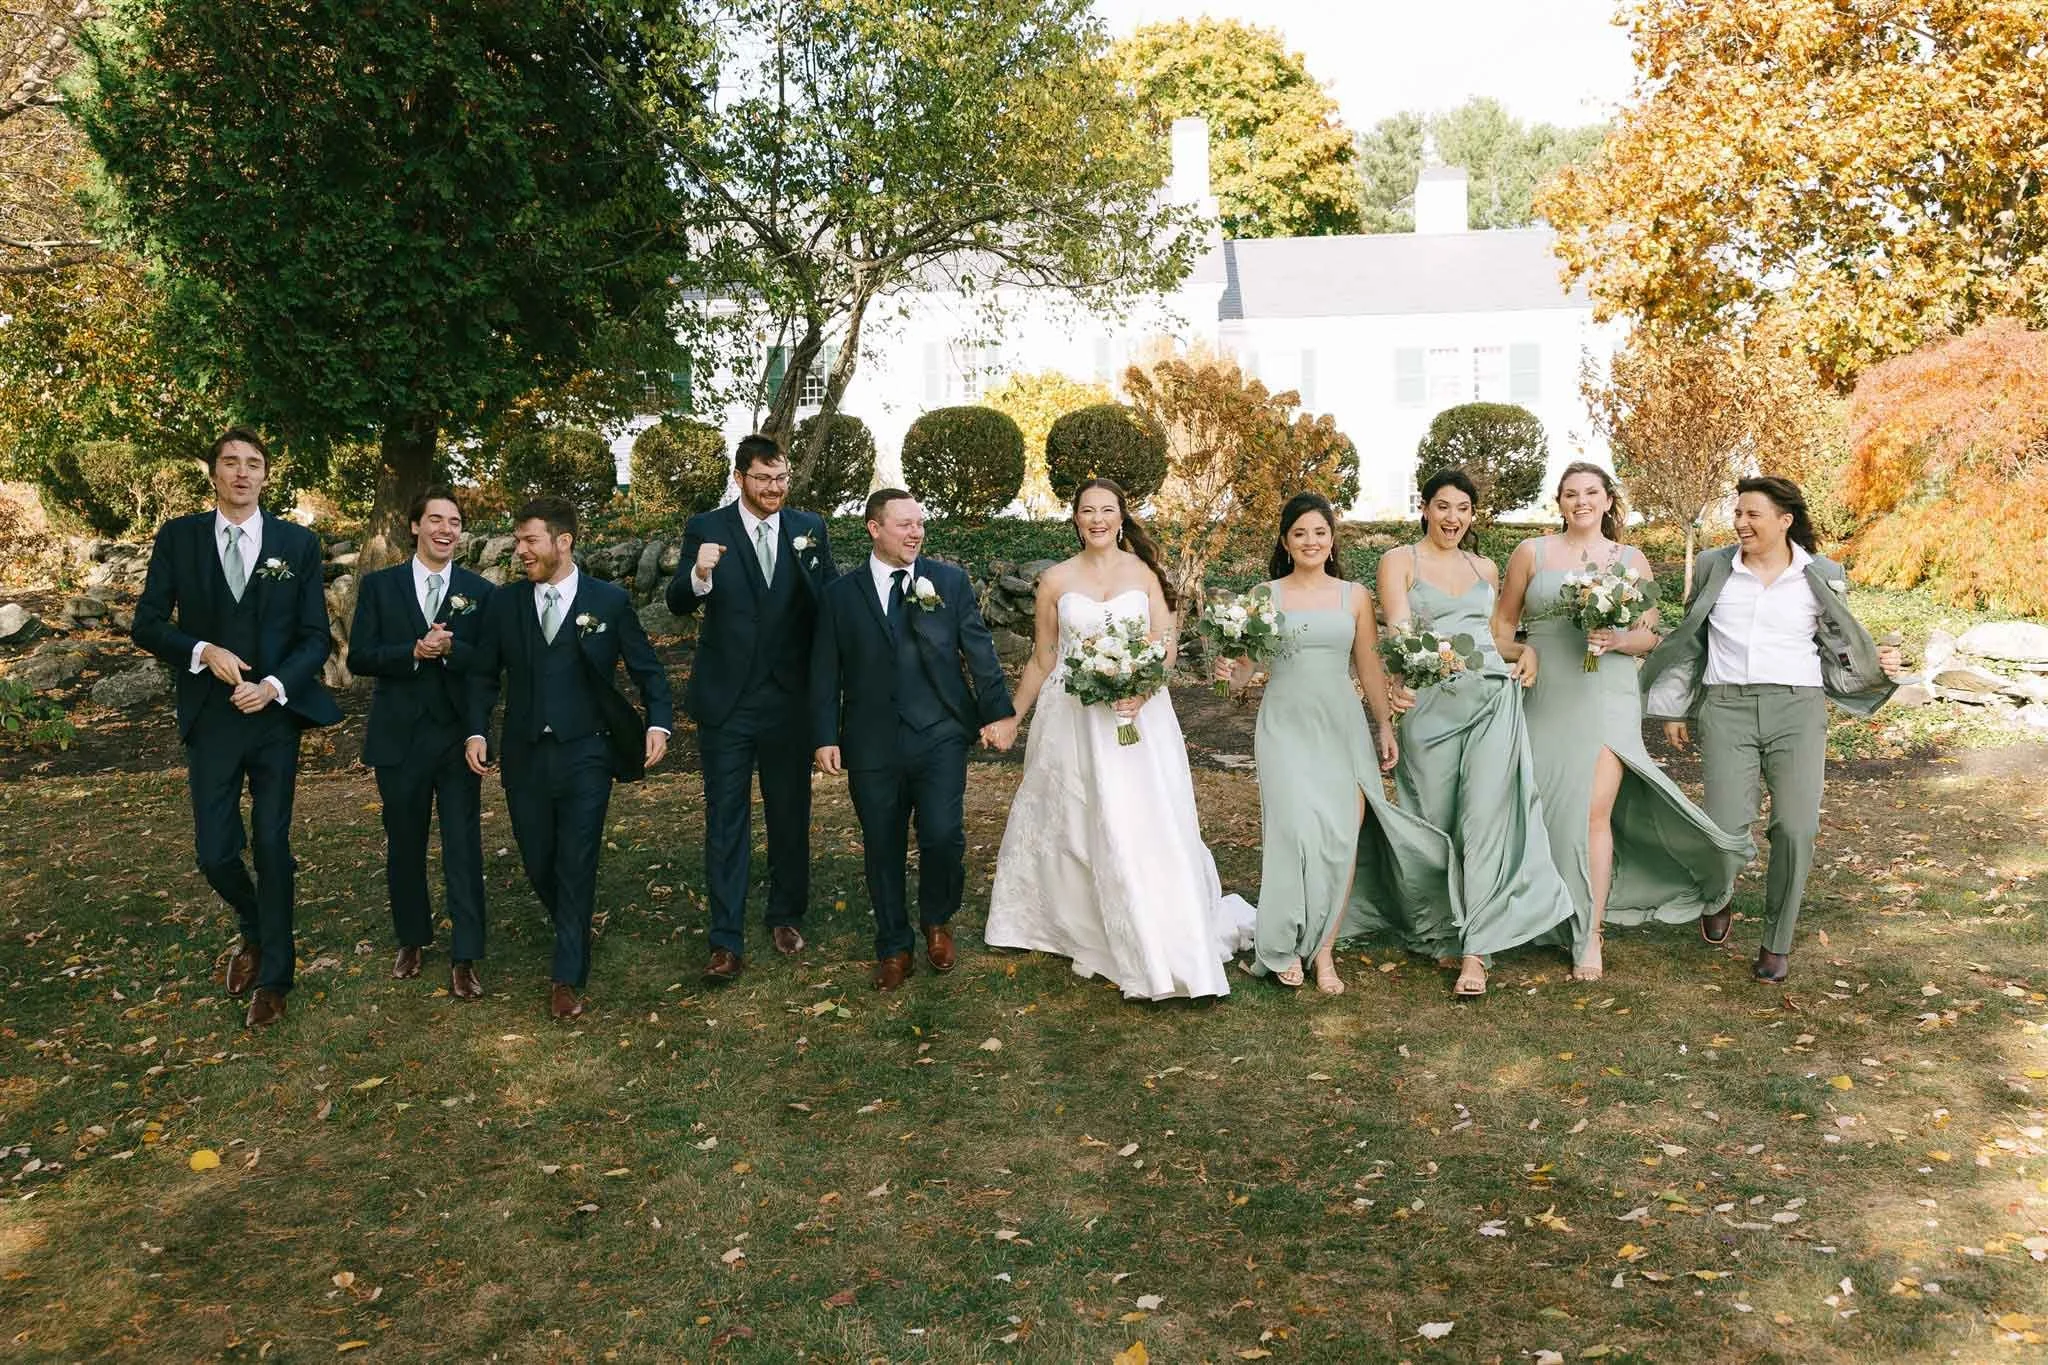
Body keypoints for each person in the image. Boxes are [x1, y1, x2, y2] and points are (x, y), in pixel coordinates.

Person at [984, 477, 1253, 1001]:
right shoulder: (1055, 580)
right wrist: (1012, 717)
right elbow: (1044, 657)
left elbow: (1164, 648)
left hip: (1139, 716)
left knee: (1142, 813)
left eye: (1107, 510)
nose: (1098, 519)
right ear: (1076, 518)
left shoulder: (1145, 573)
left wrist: (1144, 689)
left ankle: (1156, 918)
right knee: (1074, 814)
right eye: (1088, 511)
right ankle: (1078, 922)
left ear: (1122, 516)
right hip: (1072, 718)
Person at [1494, 462, 1752, 982]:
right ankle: (1541, 913)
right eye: (1571, 494)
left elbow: (1649, 636)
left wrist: (1615, 639)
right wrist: (1522, 650)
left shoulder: (1630, 560)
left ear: (1608, 500)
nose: (1581, 502)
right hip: (1545, 690)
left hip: (1607, 693)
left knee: (1593, 812)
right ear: (1559, 502)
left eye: (1591, 492)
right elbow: (1500, 626)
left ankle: (1590, 931)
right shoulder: (1530, 553)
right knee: (1543, 805)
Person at [1642, 475, 1901, 982]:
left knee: (1796, 827)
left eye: (1752, 514)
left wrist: (1879, 666)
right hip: (1727, 707)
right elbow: (1692, 640)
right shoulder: (1715, 566)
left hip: (1797, 709)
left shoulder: (1821, 573)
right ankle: (1718, 894)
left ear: (1784, 520)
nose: (1741, 523)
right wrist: (1675, 707)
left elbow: (1840, 641)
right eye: (1737, 513)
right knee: (1724, 826)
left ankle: (1776, 941)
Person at [131, 427, 342, 1028]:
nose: (242, 472)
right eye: (231, 462)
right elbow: (147, 623)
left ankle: (276, 976)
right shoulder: (179, 537)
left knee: (272, 844)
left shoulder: (296, 543)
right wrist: (201, 650)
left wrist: (273, 686)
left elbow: (315, 638)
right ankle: (256, 924)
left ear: (266, 476)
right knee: (215, 852)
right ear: (214, 474)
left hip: (273, 717)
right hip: (212, 717)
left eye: (253, 463)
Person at [1218, 492, 1455, 995]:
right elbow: (1244, 672)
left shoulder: (1354, 596)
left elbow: (1368, 666)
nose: (1311, 541)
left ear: (1332, 540)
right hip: (1284, 726)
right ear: (1285, 542)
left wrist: (1384, 725)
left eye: (1320, 532)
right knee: (1293, 832)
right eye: (1300, 533)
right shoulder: (1264, 594)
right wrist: (1227, 673)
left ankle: (1324, 950)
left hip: (1341, 726)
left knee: (1341, 837)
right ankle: (1282, 945)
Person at [465, 496, 674, 1019]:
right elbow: (484, 676)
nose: (520, 550)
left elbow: (647, 668)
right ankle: (575, 926)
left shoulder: (608, 601)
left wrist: (658, 721)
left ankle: (566, 976)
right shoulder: (504, 604)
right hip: (524, 754)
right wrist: (475, 731)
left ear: (563, 542)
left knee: (577, 859)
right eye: (518, 541)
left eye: (529, 540)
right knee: (539, 858)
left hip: (588, 752)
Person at [1377, 471, 1576, 997]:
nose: (1453, 518)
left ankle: (1477, 951)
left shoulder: (1483, 567)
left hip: (1491, 700)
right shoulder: (1399, 561)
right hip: (1431, 707)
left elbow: (1488, 640)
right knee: (1436, 819)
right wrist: (1400, 683)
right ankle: (1444, 928)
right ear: (1424, 508)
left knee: (1485, 818)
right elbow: (1399, 630)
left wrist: (1526, 649)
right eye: (1443, 506)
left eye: (1463, 508)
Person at [810, 490, 1014, 991]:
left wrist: (998, 713)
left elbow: (980, 652)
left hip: (939, 732)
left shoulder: (948, 582)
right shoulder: (839, 595)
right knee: (882, 844)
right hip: (870, 740)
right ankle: (893, 945)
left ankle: (937, 920)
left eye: (919, 523)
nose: (915, 532)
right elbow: (824, 670)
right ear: (874, 529)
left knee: (943, 835)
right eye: (904, 524)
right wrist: (824, 735)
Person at [667, 434, 837, 984]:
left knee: (790, 813)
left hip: (788, 700)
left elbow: (830, 598)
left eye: (781, 477)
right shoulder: (707, 527)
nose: (774, 488)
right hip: (729, 701)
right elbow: (677, 601)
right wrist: (700, 574)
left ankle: (785, 914)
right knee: (726, 819)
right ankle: (725, 939)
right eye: (763, 478)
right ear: (740, 478)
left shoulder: (809, 528)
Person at [346, 485, 495, 998]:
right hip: (399, 739)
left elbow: (487, 668)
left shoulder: (479, 592)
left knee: (463, 846)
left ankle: (466, 955)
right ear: (415, 526)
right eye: (435, 519)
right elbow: (359, 657)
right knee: (405, 843)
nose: (445, 530)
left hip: (456, 739)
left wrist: (453, 654)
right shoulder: (380, 586)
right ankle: (412, 938)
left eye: (454, 522)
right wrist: (411, 651)